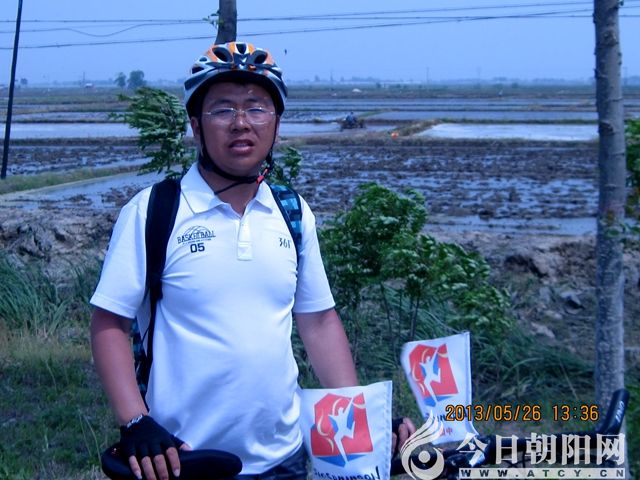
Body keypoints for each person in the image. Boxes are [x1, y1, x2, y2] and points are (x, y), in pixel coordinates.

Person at [90, 41, 414, 480]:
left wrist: (357, 413)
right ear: (196, 126)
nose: (240, 122)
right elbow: (110, 321)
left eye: (257, 108)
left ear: (276, 125)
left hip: (284, 457)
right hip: (183, 459)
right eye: (222, 109)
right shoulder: (154, 211)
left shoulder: (291, 212)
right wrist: (135, 421)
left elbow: (319, 322)